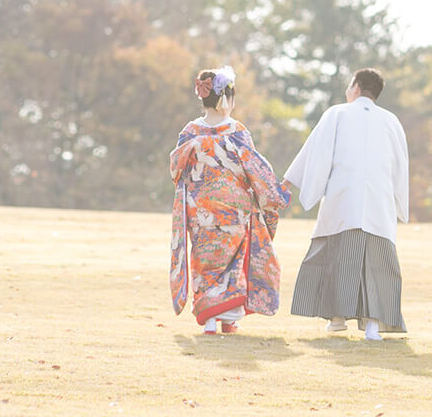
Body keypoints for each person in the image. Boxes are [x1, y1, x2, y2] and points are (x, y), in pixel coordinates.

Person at [284, 68, 409, 341]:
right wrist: (400, 200)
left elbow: (316, 151)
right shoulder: (391, 121)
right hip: (379, 201)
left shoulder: (337, 113)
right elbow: (401, 164)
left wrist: (289, 182)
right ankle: (373, 327)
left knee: (337, 257)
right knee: (376, 264)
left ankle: (337, 318)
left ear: (355, 87)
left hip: (343, 197)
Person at [170, 66, 291, 334]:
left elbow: (176, 169)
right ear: (227, 97)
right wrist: (274, 193)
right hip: (234, 209)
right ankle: (228, 318)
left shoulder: (190, 132)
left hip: (200, 209)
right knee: (233, 261)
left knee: (205, 261)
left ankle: (210, 321)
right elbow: (255, 168)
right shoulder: (236, 130)